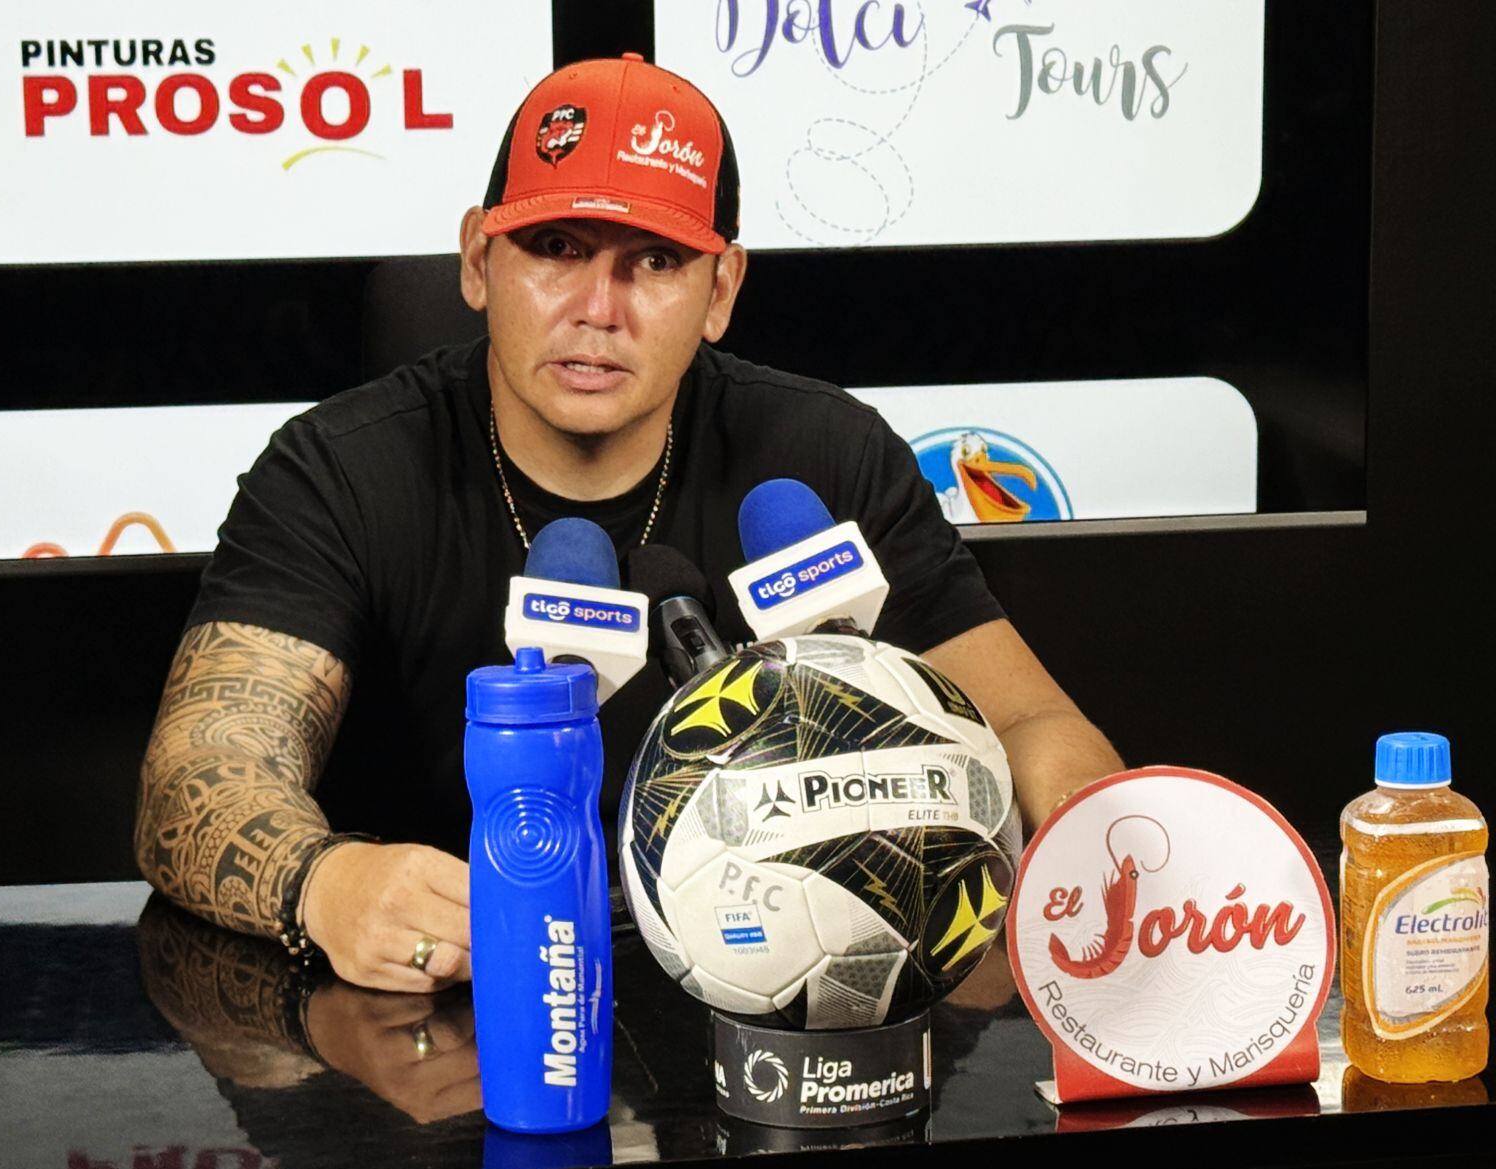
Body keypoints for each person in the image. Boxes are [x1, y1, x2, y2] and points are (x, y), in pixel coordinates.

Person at [136, 54, 1122, 995]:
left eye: (654, 261)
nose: (597, 310)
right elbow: (204, 771)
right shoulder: (340, 470)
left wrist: (1084, 829)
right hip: (462, 1010)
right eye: (555, 250)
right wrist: (325, 883)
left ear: (720, 291)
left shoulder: (828, 455)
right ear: (477, 261)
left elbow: (1029, 720)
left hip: (781, 994)